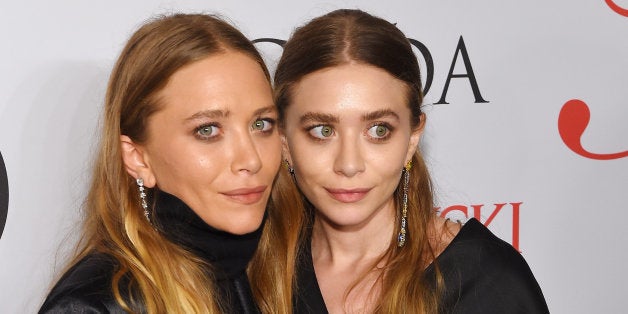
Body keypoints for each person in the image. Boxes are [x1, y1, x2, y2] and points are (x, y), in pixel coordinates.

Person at [273, 9, 549, 313]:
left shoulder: (486, 282)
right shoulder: (259, 270)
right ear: (285, 142)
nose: (349, 165)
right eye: (322, 131)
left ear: (412, 139)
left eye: (379, 130)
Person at [40, 13, 299, 314]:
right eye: (208, 130)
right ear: (137, 158)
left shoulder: (267, 268)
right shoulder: (94, 306)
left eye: (261, 124)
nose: (251, 160)